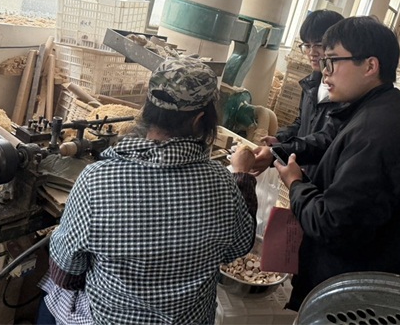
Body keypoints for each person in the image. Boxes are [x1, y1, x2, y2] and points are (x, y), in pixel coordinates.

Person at [46, 56, 258, 324]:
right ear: (199, 120)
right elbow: (238, 248)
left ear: (147, 108)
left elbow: (66, 273)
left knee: (51, 293)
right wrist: (242, 176)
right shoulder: (223, 183)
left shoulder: (96, 180)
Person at [270, 16, 400, 311]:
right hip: (354, 284)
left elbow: (333, 225)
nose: (325, 71)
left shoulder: (382, 132)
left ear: (370, 66)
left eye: (333, 61)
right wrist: (278, 152)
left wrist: (296, 184)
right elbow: (328, 139)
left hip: (353, 301)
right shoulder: (377, 109)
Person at [261, 9, 345, 177]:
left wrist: (280, 151)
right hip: (304, 170)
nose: (312, 52)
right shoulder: (311, 84)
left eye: (319, 45)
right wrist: (281, 139)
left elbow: (327, 140)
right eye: (307, 45)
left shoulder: (345, 93)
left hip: (325, 176)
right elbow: (302, 123)